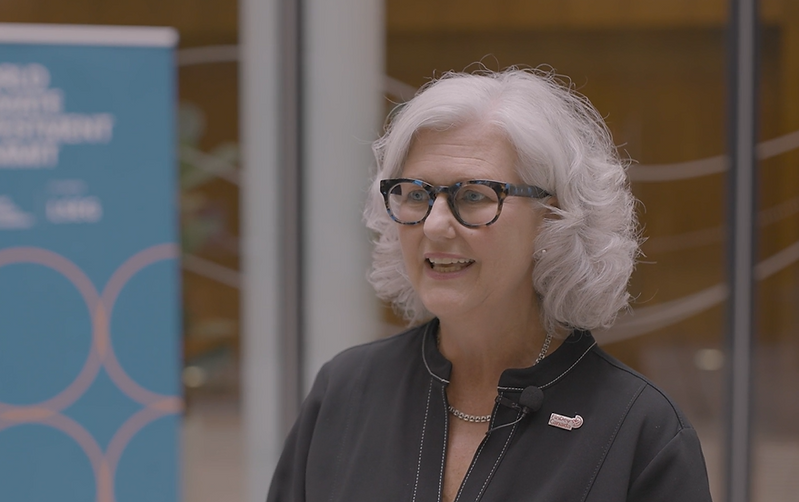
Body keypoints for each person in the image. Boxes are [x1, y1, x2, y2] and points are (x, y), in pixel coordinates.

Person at [267, 67, 713, 502]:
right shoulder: (346, 390)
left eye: (475, 195)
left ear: (554, 219)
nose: (436, 225)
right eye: (417, 194)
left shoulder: (640, 431)